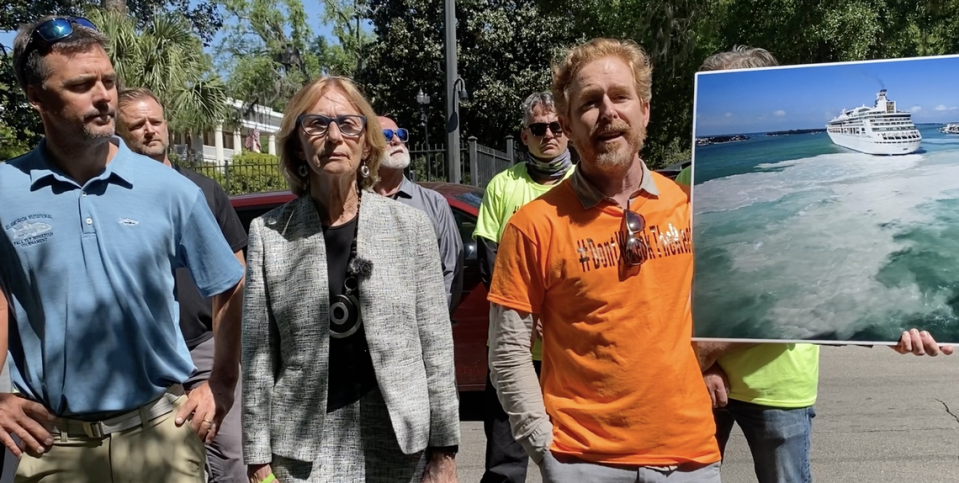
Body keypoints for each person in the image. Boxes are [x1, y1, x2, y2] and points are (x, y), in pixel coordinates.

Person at [688, 45, 953, 483]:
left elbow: (841, 268)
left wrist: (896, 325)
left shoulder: (842, 201)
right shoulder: (684, 184)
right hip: (698, 377)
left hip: (779, 384)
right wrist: (702, 364)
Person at [0, 15, 245, 483]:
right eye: (81, 84)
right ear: (37, 97)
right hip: (53, 445)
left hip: (161, 436)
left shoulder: (169, 188)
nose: (103, 96)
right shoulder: (4, 190)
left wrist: (222, 383)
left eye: (108, 81)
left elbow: (230, 284)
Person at [487, 37, 721, 482]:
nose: (608, 112)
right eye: (590, 103)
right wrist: (544, 447)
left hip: (689, 458)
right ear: (570, 126)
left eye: (620, 97)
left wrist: (873, 320)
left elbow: (748, 301)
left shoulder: (688, 207)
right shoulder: (532, 226)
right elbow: (507, 352)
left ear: (645, 111)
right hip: (581, 461)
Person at [241, 76, 460, 483]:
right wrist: (256, 458)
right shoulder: (269, 234)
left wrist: (444, 451)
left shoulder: (410, 227)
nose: (333, 136)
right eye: (317, 124)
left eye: (347, 123)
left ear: (366, 143)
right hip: (303, 445)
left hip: (400, 439)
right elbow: (258, 355)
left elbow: (436, 345)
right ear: (297, 146)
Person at [116, 87, 248, 483]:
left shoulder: (204, 190)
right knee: (161, 463)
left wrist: (229, 357)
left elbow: (237, 272)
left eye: (155, 121)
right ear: (119, 135)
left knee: (230, 457)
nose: (149, 130)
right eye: (137, 125)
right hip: (146, 352)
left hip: (205, 343)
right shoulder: (113, 197)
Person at [473, 91, 574, 483]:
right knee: (504, 461)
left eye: (556, 126)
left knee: (574, 456)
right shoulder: (502, 187)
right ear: (524, 136)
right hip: (512, 351)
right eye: (538, 128)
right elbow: (490, 265)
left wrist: (554, 319)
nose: (549, 134)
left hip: (570, 351)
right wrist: (529, 320)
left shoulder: (586, 183)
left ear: (567, 130)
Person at [373, 115, 464, 311]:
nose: (397, 140)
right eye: (386, 135)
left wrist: (434, 323)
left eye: (401, 134)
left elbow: (451, 271)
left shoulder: (434, 203)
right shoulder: (355, 203)